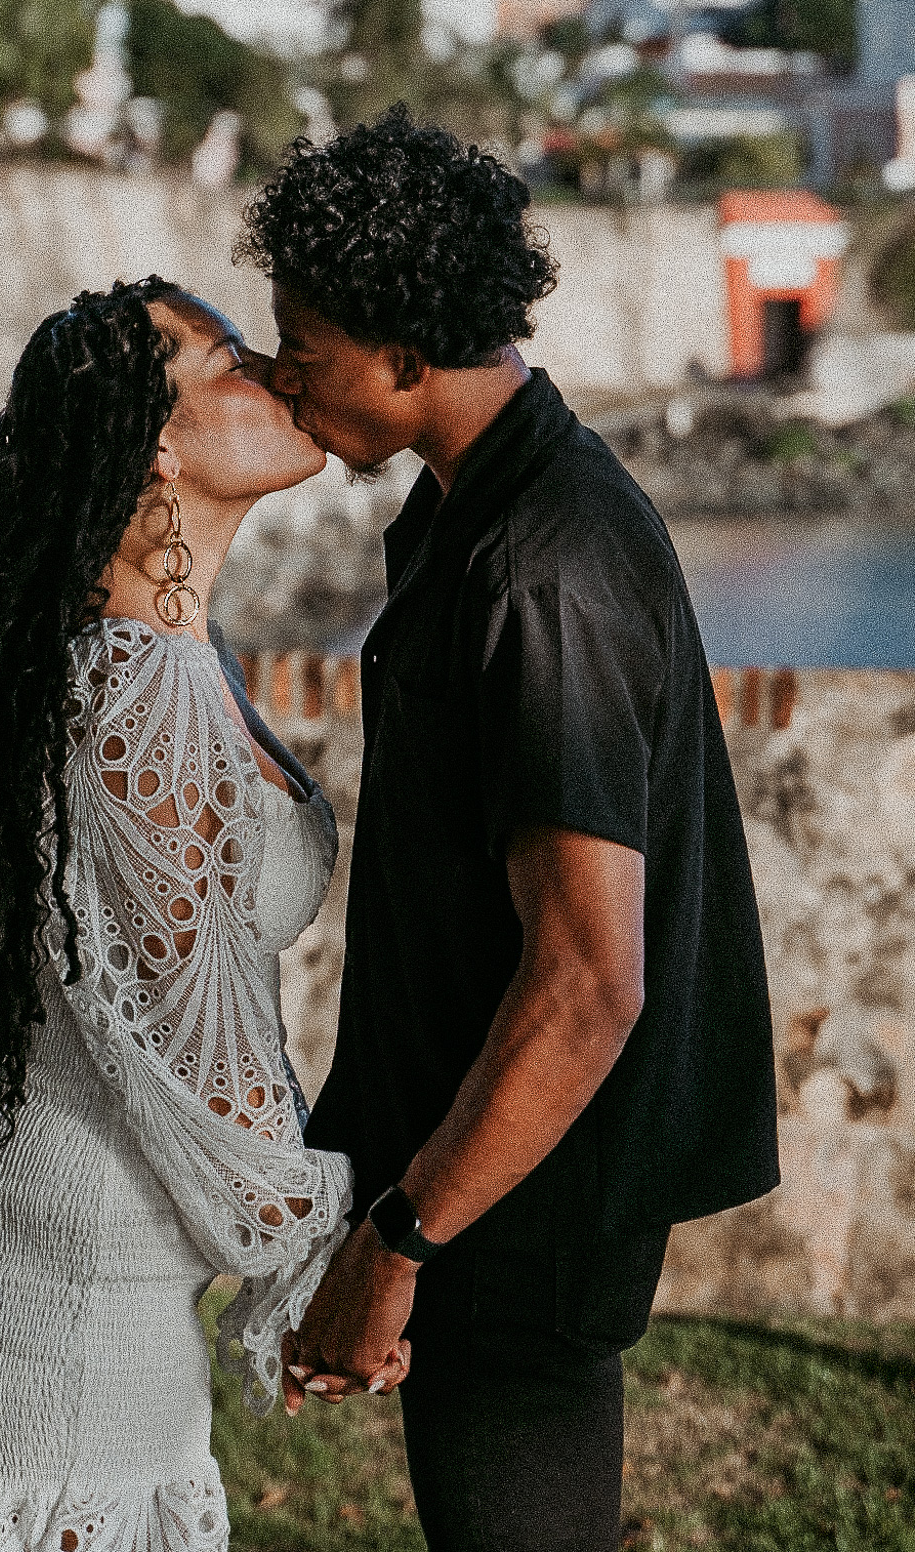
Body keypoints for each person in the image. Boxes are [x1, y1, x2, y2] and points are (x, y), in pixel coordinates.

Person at [237, 106, 781, 1551]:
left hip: (519, 1200)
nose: (284, 378)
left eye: (308, 348)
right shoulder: (468, 515)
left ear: (409, 361)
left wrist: (402, 1244)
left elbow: (592, 981)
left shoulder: (543, 574)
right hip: (473, 1168)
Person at [0, 278, 407, 1552]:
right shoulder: (137, 689)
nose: (279, 370)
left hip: (57, 1241)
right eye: (230, 359)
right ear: (158, 437)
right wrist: (355, 1261)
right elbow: (202, 1061)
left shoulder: (148, 647)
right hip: (60, 1286)